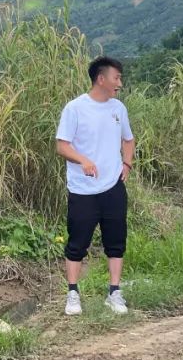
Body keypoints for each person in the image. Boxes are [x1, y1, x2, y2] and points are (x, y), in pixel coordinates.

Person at [56, 56, 135, 316]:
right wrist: (83, 160)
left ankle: (114, 292)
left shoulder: (118, 109)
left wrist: (127, 164)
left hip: (113, 186)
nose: (119, 83)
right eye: (116, 78)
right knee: (77, 242)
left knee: (116, 240)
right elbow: (62, 145)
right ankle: (73, 293)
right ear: (101, 79)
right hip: (83, 189)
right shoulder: (75, 108)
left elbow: (128, 139)